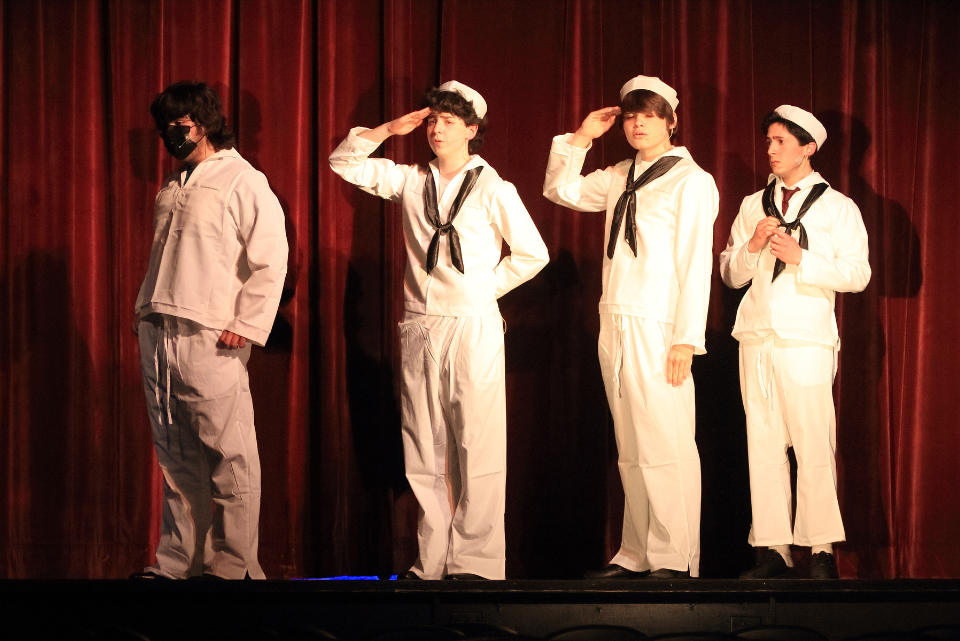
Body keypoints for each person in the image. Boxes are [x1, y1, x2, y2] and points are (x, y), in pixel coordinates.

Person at [329, 81, 549, 581]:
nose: (436, 129)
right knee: (424, 443)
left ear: (472, 130)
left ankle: (476, 562)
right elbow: (343, 163)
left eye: (449, 121)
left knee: (477, 440)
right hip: (421, 322)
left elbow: (534, 253)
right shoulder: (410, 180)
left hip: (472, 324)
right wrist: (388, 129)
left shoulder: (494, 187)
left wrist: (482, 289)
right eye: (432, 121)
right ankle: (430, 559)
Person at [544, 75, 718, 579]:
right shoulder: (620, 173)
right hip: (615, 317)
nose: (638, 124)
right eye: (630, 115)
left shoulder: (690, 180)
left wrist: (687, 336)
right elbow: (560, 190)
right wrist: (580, 140)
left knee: (665, 440)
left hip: (660, 323)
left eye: (648, 114)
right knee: (632, 444)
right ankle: (636, 553)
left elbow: (694, 264)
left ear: (671, 120)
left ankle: (674, 556)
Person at [132, 81, 288, 579]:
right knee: (174, 454)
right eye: (164, 129)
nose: (170, 136)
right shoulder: (174, 182)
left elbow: (271, 257)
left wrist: (246, 322)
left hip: (209, 330)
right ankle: (178, 563)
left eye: (178, 126)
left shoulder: (243, 179)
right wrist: (145, 316)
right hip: (161, 324)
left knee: (228, 451)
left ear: (204, 122)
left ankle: (234, 567)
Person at [719, 106, 870, 580]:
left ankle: (821, 549)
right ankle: (773, 549)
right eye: (767, 141)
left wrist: (803, 258)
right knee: (762, 444)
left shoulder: (837, 206)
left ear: (809, 147)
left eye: (781, 141)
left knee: (812, 442)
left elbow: (858, 274)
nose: (770, 150)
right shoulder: (751, 205)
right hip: (756, 334)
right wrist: (750, 248)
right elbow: (728, 273)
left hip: (806, 336)